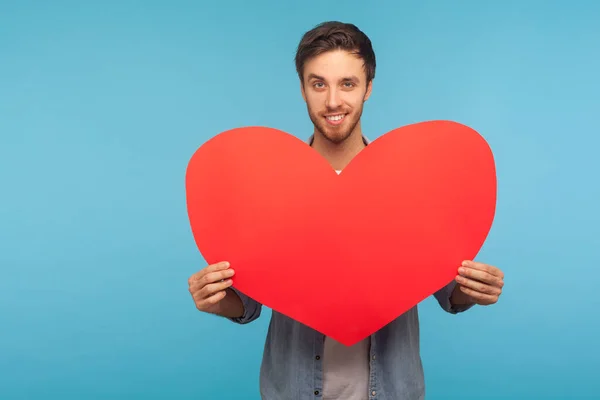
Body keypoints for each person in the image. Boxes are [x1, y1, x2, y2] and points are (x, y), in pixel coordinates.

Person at [187, 21, 505, 400]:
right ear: (303, 90)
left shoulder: (409, 185)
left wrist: (473, 289)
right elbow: (251, 300)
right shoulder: (270, 189)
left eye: (347, 84)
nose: (333, 100)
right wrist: (217, 299)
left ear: (368, 88)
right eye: (318, 83)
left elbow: (445, 287)